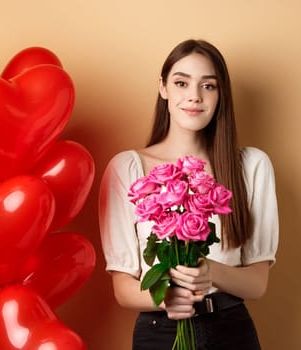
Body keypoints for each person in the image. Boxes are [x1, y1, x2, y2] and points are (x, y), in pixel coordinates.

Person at [98, 39, 279, 349]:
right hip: (160, 333)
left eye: (208, 86)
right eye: (181, 83)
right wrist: (166, 298)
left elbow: (257, 283)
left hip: (231, 330)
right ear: (164, 87)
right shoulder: (127, 169)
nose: (194, 96)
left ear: (221, 95)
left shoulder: (251, 167)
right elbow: (122, 287)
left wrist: (210, 272)